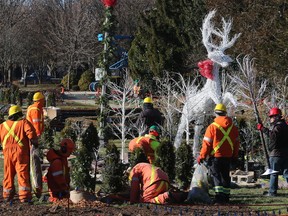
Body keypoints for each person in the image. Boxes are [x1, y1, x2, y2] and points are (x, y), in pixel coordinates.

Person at [197, 103, 240, 204]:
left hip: (215, 157)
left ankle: (219, 198)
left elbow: (206, 144)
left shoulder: (212, 127)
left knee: (216, 177)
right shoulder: (233, 127)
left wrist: (202, 156)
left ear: (215, 113)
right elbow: (236, 144)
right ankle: (226, 197)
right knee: (225, 176)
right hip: (228, 157)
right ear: (225, 113)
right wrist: (234, 156)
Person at [0, 105, 38, 203]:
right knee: (22, 174)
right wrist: (35, 145)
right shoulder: (23, 123)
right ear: (18, 114)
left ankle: (7, 196)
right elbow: (32, 134)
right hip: (21, 153)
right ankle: (24, 197)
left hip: (7, 155)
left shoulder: (2, 126)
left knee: (8, 174)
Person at [257, 107, 288, 197]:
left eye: (271, 116)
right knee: (286, 173)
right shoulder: (285, 126)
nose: (270, 118)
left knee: (274, 173)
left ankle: (272, 192)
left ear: (277, 116)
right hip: (285, 154)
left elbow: (273, 136)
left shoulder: (278, 126)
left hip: (276, 155)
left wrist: (263, 129)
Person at [46, 138, 75, 202]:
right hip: (57, 195)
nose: (70, 153)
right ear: (65, 149)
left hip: (61, 193)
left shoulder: (63, 160)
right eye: (70, 151)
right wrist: (65, 189)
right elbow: (58, 178)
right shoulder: (57, 162)